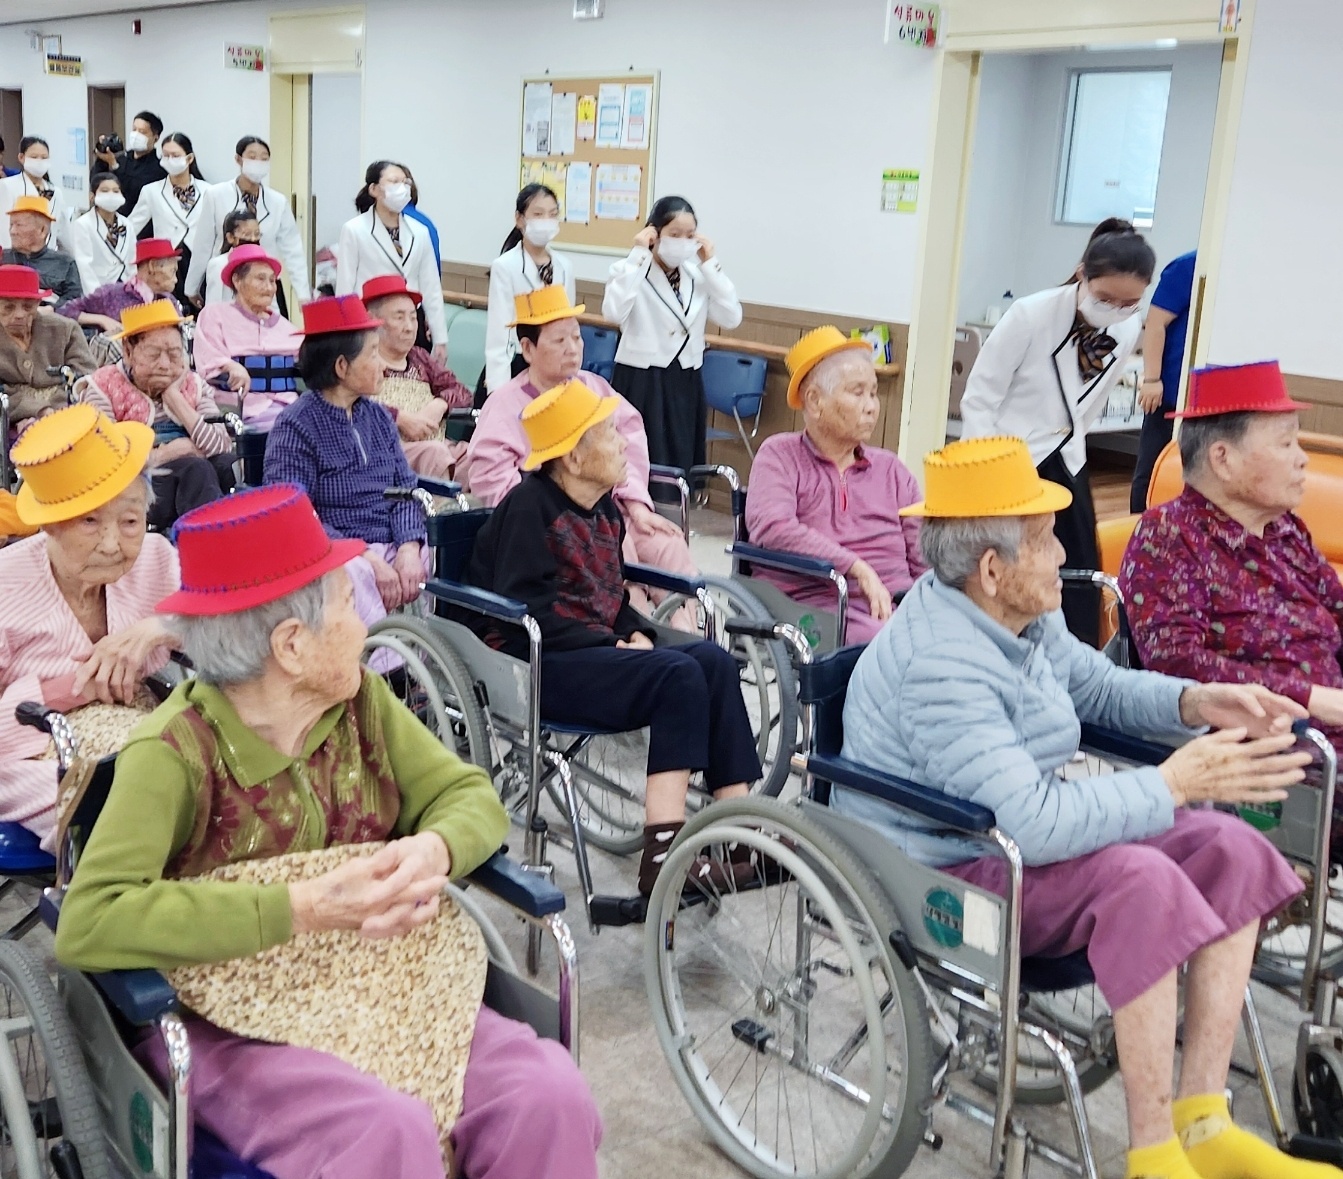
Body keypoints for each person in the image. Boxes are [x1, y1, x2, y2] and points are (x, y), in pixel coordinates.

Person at [53, 483, 602, 1179]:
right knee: (383, 1134)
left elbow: (467, 796)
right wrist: (302, 907)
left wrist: (433, 847)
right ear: (291, 645)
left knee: (545, 1094)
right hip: (231, 1014)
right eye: (346, 605)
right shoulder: (171, 753)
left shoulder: (362, 703)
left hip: (391, 975)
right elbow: (90, 918)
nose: (363, 627)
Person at [837, 434, 1335, 1179]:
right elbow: (1033, 825)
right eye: (1043, 540)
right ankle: (1153, 1153)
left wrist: (1198, 700)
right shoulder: (941, 664)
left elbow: (1097, 687)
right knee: (1144, 881)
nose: (1061, 553)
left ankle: (1203, 1121)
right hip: (947, 867)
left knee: (1232, 849)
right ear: (992, 568)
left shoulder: (1019, 616)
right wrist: (1174, 782)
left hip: (1021, 830)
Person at [465, 379, 762, 894]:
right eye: (609, 434)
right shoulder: (528, 509)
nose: (624, 442)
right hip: (538, 661)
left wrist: (631, 630)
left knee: (712, 661)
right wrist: (610, 643)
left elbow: (608, 596)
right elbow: (526, 613)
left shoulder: (603, 509)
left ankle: (740, 839)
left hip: (590, 648)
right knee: (677, 676)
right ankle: (662, 859)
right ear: (574, 458)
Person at [1119, 362, 1343, 789]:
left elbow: (1337, 609)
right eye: (1285, 444)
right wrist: (1312, 698)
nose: (1302, 459)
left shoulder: (1285, 529)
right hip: (1278, 757)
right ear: (1223, 459)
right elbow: (1177, 665)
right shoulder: (1169, 536)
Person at [959, 218, 1155, 646]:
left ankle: (1074, 658)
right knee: (1007, 570)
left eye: (1130, 303)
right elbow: (980, 398)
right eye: (1106, 299)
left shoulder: (1126, 327)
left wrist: (1075, 441)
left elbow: (1094, 401)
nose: (1116, 310)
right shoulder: (1031, 314)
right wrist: (986, 475)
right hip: (1010, 459)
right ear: (1082, 274)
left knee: (1075, 571)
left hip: (1067, 458)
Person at [0, 404, 179, 847]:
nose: (113, 544)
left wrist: (157, 628)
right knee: (118, 803)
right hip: (28, 756)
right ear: (49, 525)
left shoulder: (157, 560)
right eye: (89, 521)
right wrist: (67, 690)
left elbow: (227, 624)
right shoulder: (6, 585)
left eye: (130, 521)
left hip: (146, 735)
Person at [467, 286, 700, 609]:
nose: (572, 348)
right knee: (618, 561)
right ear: (528, 349)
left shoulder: (594, 387)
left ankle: (684, 627)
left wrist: (636, 506)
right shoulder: (505, 403)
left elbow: (629, 444)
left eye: (576, 338)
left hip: (612, 510)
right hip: (552, 527)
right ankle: (639, 623)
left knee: (668, 545)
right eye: (559, 341)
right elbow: (493, 480)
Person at [746, 326, 925, 643]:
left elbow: (923, 554)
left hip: (898, 604)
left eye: (874, 393)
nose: (871, 406)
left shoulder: (891, 470)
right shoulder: (779, 456)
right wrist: (855, 567)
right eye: (858, 393)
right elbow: (773, 528)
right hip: (820, 606)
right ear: (815, 401)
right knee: (893, 645)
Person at [264, 294, 430, 627]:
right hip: (338, 551)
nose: (383, 365)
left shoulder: (379, 418)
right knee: (353, 573)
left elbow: (406, 490)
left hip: (391, 541)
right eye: (373, 353)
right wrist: (362, 554)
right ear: (342, 367)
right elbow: (295, 513)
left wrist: (409, 547)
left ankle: (415, 654)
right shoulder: (295, 426)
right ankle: (378, 658)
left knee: (428, 554)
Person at [602, 195, 743, 472]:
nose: (683, 242)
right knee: (641, 461)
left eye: (690, 235)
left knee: (682, 461)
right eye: (675, 234)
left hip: (686, 378)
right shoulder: (629, 269)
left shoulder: (698, 276)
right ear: (654, 233)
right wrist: (639, 254)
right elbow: (613, 313)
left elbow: (731, 317)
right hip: (642, 378)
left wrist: (711, 264)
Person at [78, 301, 235, 530]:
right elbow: (107, 458)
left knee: (227, 465)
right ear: (128, 351)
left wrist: (175, 400)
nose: (164, 364)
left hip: (193, 477)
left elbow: (221, 445)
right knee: (197, 470)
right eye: (154, 354)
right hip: (140, 487)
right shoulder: (103, 386)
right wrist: (166, 454)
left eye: (174, 354)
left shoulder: (192, 384)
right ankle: (205, 539)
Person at [184, 136, 310, 314]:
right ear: (238, 159)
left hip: (266, 281)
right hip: (227, 280)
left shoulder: (278, 202)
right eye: (252, 157)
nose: (258, 162)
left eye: (264, 158)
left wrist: (303, 294)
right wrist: (192, 287)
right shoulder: (216, 195)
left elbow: (293, 249)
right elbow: (203, 244)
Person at [336, 160, 447, 362]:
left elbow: (431, 287)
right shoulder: (354, 230)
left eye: (406, 183)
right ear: (374, 189)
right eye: (394, 182)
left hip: (410, 323)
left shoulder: (420, 232)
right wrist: (346, 336)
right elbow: (345, 286)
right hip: (371, 323)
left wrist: (440, 338)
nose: (402, 188)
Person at [364, 274, 471, 479]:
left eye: (413, 318)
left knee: (479, 456)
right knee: (435, 453)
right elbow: (349, 402)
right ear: (373, 320)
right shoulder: (362, 359)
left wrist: (439, 405)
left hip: (436, 444)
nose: (410, 327)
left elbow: (461, 392)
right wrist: (398, 417)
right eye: (399, 318)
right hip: (387, 453)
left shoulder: (420, 357)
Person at [193, 243, 304, 430]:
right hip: (241, 408)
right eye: (260, 279)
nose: (269, 287)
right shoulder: (215, 315)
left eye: (272, 281)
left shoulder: (286, 327)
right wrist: (230, 366)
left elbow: (310, 358)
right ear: (237, 280)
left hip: (290, 406)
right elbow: (208, 359)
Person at [483, 184, 575, 394]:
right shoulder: (505, 266)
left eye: (552, 214)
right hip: (518, 362)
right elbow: (499, 332)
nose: (546, 221)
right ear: (519, 219)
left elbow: (568, 325)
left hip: (555, 363)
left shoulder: (565, 267)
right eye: (538, 214)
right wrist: (498, 390)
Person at [1130, 249, 1197, 511]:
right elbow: (1155, 324)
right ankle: (1138, 526)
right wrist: (1152, 379)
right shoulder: (1188, 266)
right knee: (1151, 469)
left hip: (1205, 395)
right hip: (1168, 390)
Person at [0, 264, 95, 432]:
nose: (20, 314)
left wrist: (52, 411)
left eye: (28, 306)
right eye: (8, 307)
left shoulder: (66, 330)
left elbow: (87, 380)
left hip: (67, 418)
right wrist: (36, 409)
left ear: (38, 303)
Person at [126, 132, 210, 305]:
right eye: (166, 155)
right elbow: (131, 227)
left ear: (189, 158)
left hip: (199, 260)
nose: (170, 160)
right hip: (166, 262)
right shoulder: (151, 191)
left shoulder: (209, 191)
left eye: (175, 155)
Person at [59, 237, 182, 338]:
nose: (176, 279)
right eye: (172, 271)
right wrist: (102, 320)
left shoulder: (169, 301)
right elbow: (65, 311)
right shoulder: (111, 294)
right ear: (152, 266)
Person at [2, 195, 82, 308]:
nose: (12, 231)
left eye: (19, 225)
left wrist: (52, 309)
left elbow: (75, 300)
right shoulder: (2, 258)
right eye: (11, 225)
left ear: (42, 230)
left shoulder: (65, 263)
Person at [92, 110, 167, 219]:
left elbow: (132, 192)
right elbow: (96, 181)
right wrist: (101, 159)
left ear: (156, 137)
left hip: (139, 224)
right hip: (110, 219)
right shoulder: (122, 158)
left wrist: (114, 166)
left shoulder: (158, 168)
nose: (136, 135)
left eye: (142, 132)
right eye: (134, 129)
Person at [0, 138, 72, 252]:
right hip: (17, 256)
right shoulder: (7, 186)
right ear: (21, 157)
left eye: (44, 158)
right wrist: (7, 256)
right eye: (34, 157)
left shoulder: (55, 192)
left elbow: (64, 232)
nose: (39, 161)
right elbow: (3, 228)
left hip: (48, 257)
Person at [69, 172, 134, 294]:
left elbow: (132, 259)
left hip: (125, 287)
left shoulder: (127, 224)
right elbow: (84, 265)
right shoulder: (83, 224)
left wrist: (133, 288)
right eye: (105, 191)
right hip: (99, 287)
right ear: (92, 196)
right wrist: (96, 295)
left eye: (116, 191)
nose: (111, 195)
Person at [202, 209, 263, 307]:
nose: (253, 239)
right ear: (230, 237)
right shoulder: (219, 265)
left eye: (257, 234)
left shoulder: (263, 263)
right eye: (247, 234)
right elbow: (213, 304)